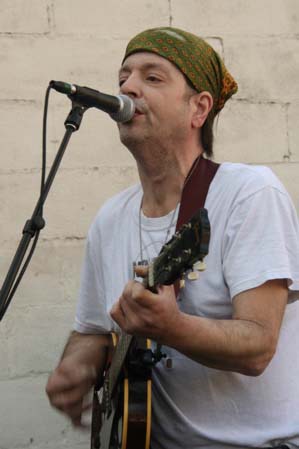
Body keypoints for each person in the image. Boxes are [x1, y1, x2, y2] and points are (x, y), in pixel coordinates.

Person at [46, 27, 299, 449]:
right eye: (123, 76)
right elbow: (91, 330)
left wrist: (172, 326)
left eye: (152, 77)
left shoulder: (248, 193)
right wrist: (75, 366)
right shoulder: (110, 219)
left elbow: (258, 345)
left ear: (199, 108)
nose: (128, 87)